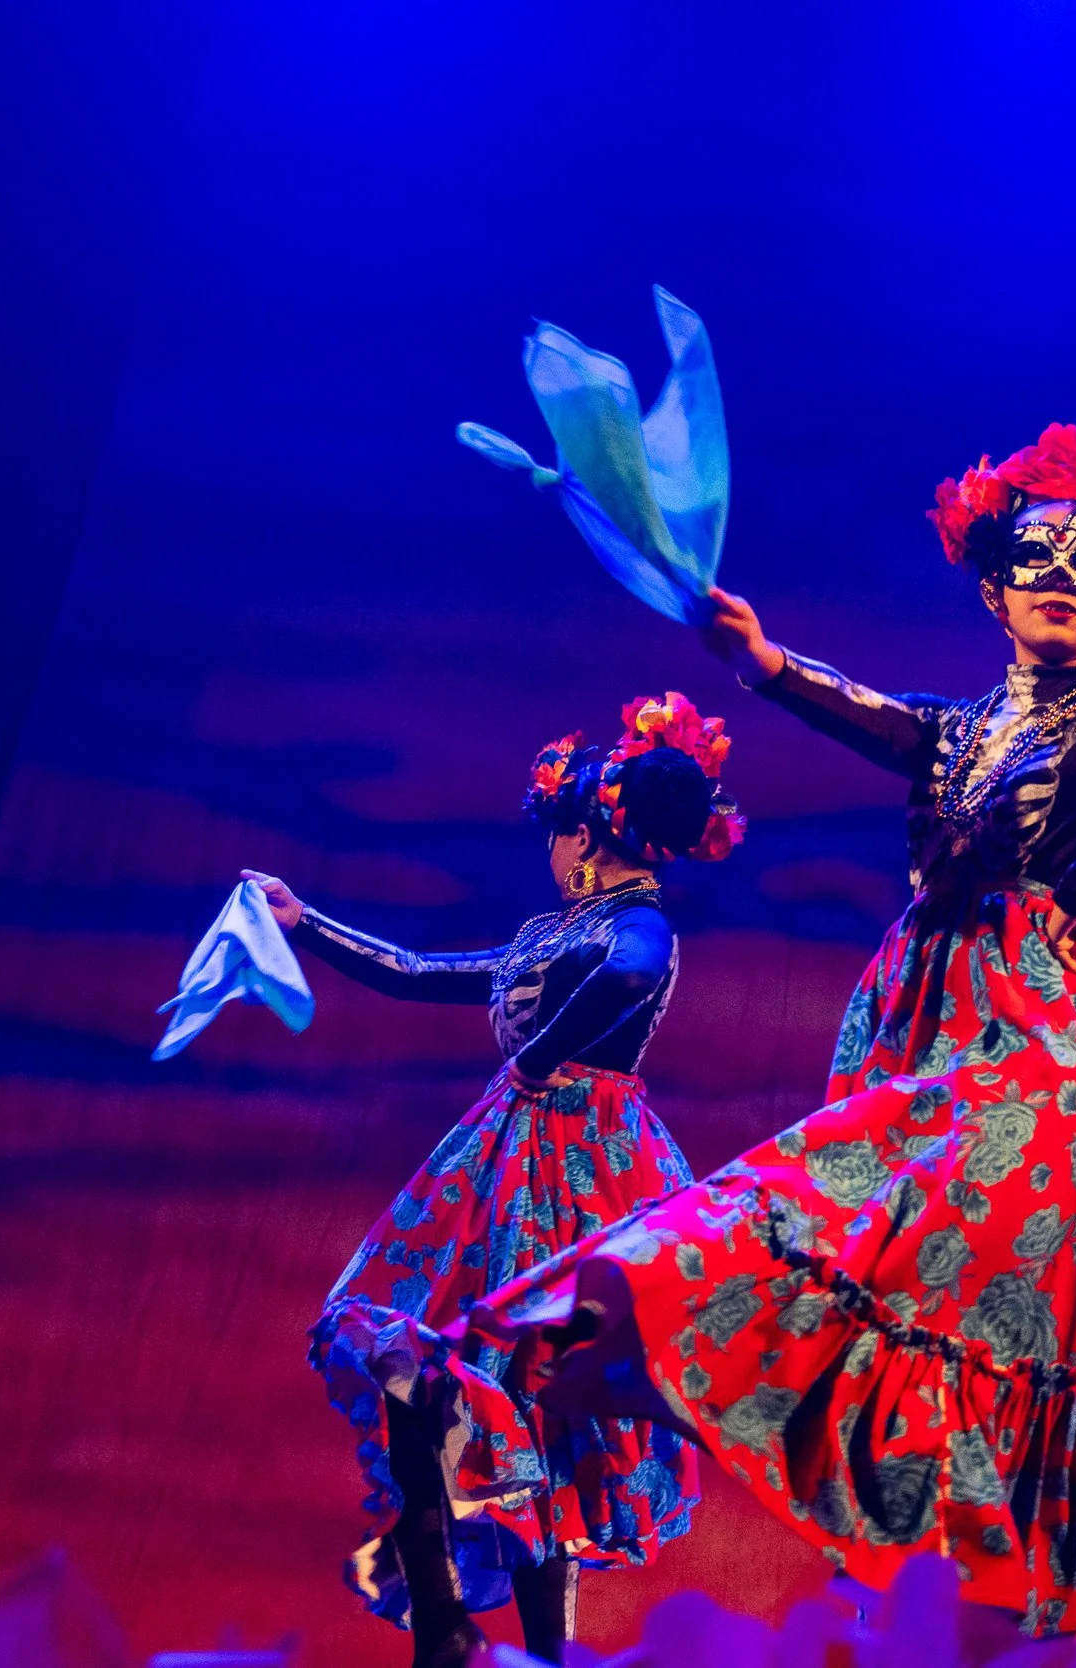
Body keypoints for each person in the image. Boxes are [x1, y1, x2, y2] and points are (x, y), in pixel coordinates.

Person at [462, 423, 1076, 1665]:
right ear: (992, 587)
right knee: (856, 1222)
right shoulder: (961, 725)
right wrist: (764, 662)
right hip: (924, 1011)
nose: (1061, 576)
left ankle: (1023, 1577)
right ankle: (630, 1327)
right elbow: (869, 713)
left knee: (989, 1270)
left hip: (1040, 1019)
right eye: (1034, 555)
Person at [252, 692, 742, 1667]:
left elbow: (631, 980)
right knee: (424, 1367)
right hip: (504, 1159)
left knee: (532, 1403)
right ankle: (443, 1619)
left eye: (559, 837)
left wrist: (537, 1059)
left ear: (586, 837)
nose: (553, 859)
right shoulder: (552, 931)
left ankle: (535, 1648)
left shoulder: (635, 926)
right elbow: (415, 968)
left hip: (585, 1166)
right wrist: (305, 924)